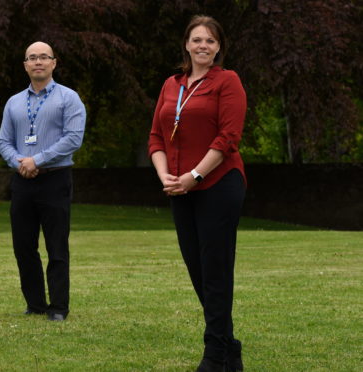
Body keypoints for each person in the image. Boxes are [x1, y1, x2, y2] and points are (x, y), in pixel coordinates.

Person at [148, 15, 246, 372]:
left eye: (210, 40)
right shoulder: (171, 84)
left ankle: (215, 354)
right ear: (186, 45)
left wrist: (195, 175)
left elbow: (228, 137)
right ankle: (230, 348)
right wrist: (167, 176)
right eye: (196, 40)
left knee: (216, 269)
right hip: (179, 188)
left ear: (219, 47)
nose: (203, 45)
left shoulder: (227, 81)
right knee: (198, 270)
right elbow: (156, 137)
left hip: (218, 184)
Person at [0, 41, 86, 322]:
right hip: (22, 180)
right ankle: (35, 303)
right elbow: (4, 141)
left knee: (56, 245)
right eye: (32, 58)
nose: (38, 62)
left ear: (54, 63)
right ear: (25, 65)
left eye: (43, 57)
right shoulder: (13, 102)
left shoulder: (69, 98)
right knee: (23, 246)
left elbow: (73, 138)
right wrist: (20, 162)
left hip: (55, 179)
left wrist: (38, 160)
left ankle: (58, 307)